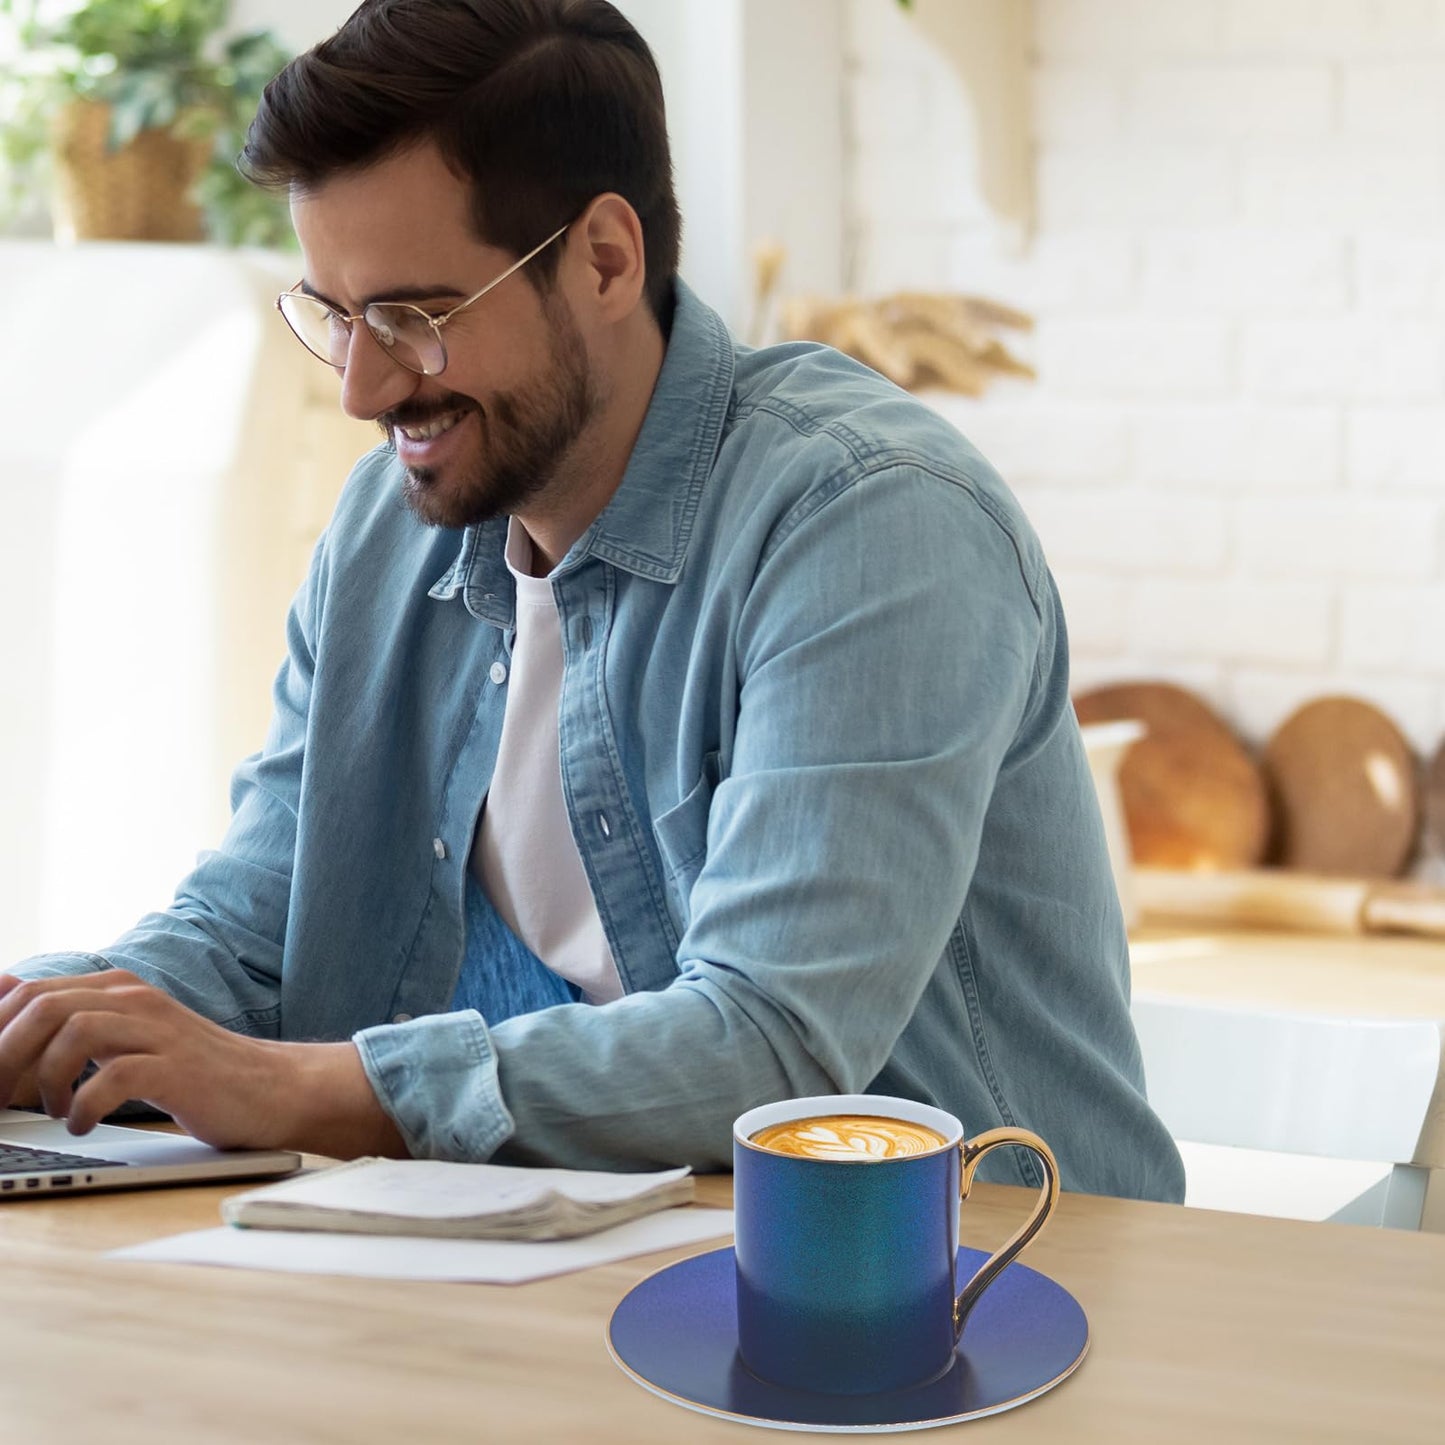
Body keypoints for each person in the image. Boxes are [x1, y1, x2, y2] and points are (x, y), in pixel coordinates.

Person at [0, 0, 1182, 1201]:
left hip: (977, 1292)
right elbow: (260, 924)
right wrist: (51, 1019)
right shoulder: (383, 532)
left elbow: (775, 1043)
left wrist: (291, 1089)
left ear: (604, 259)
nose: (362, 388)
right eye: (336, 315)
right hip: (604, 1272)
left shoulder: (871, 522)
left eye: (412, 315)